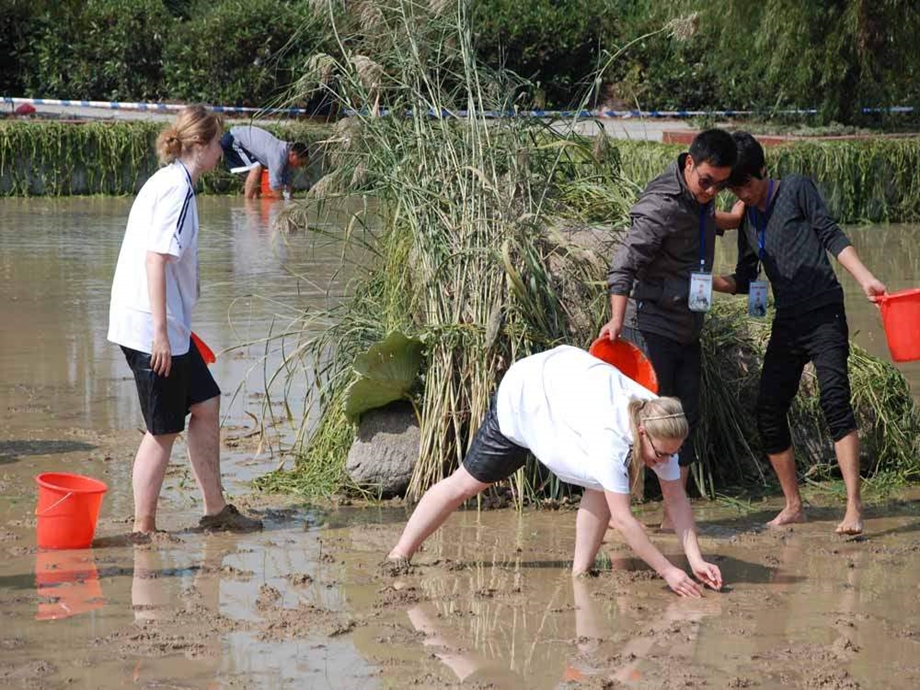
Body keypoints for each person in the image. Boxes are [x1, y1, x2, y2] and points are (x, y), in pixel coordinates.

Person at [383, 346, 723, 597]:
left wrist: (695, 560)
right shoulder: (612, 441)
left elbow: (676, 498)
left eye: (672, 455)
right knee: (465, 483)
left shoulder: (662, 419)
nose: (666, 462)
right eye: (662, 455)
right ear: (643, 432)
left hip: (565, 395)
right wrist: (668, 571)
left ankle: (580, 572)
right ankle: (400, 553)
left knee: (607, 481)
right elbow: (622, 520)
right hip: (526, 395)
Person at [712, 131, 886, 535]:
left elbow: (830, 234)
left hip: (824, 312)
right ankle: (793, 505)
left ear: (763, 172)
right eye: (736, 188)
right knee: (768, 411)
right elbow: (745, 280)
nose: (745, 194)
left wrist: (865, 279)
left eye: (748, 184)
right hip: (787, 323)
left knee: (834, 400)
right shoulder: (748, 222)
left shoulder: (796, 189)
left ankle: (853, 508)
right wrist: (701, 282)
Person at [108, 105, 263, 534]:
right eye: (218, 144)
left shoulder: (174, 183)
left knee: (206, 403)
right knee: (162, 430)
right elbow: (156, 259)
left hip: (166, 324)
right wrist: (160, 332)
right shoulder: (176, 190)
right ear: (201, 146)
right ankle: (143, 529)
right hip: (151, 328)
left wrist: (174, 324)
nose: (222, 152)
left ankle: (215, 512)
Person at [601, 129, 737, 530]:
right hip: (653, 325)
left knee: (686, 418)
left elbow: (707, 219)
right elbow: (624, 264)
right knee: (644, 421)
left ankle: (668, 514)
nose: (712, 191)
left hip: (689, 326)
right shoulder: (660, 204)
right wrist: (616, 320)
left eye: (721, 185)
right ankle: (619, 513)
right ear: (688, 162)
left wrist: (738, 214)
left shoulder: (701, 199)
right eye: (706, 181)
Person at [220, 124, 308, 200]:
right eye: (300, 163)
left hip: (239, 139)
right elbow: (274, 184)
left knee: (256, 185)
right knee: (256, 168)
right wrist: (281, 205)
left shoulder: (285, 155)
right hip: (233, 140)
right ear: (293, 155)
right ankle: (248, 205)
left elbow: (286, 181)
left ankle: (253, 204)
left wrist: (290, 198)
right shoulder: (277, 155)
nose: (299, 167)